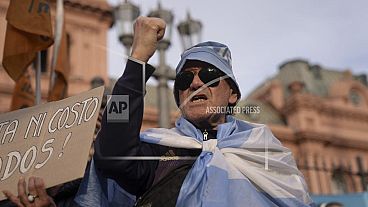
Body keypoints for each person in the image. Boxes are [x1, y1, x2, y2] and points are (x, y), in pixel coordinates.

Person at [76, 16, 315, 207]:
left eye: (210, 75)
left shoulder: (265, 152)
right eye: (185, 78)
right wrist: (137, 61)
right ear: (179, 97)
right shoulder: (160, 151)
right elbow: (111, 155)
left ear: (233, 94)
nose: (195, 83)